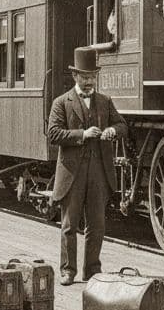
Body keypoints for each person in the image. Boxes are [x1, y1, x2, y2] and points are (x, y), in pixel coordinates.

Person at [46, 46, 128, 286]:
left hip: (98, 173)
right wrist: (82, 133)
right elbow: (53, 134)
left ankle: (92, 271)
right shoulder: (61, 102)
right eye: (85, 77)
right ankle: (68, 271)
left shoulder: (105, 101)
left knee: (97, 225)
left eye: (93, 76)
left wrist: (113, 130)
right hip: (72, 172)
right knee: (69, 225)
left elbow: (123, 125)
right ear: (75, 77)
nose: (90, 81)